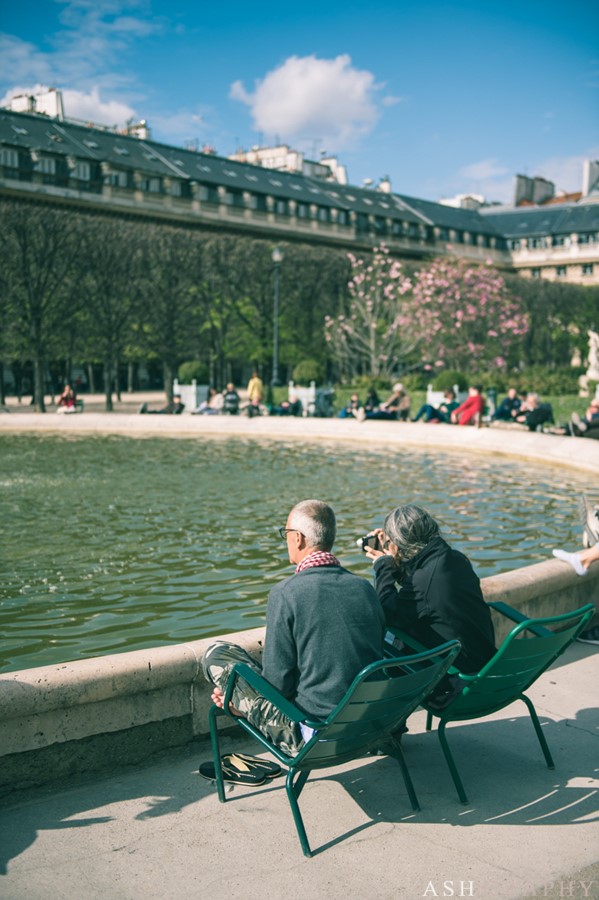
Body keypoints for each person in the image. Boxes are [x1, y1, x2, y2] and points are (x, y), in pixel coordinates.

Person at [202, 499, 385, 756]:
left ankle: (237, 704)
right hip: (370, 724)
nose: (286, 540)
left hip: (315, 734)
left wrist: (241, 699)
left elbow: (277, 686)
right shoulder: (364, 588)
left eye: (285, 534)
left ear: (298, 538)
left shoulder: (286, 594)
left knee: (217, 652)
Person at [364, 504, 496, 675]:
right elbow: (421, 589)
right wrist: (395, 562)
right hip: (484, 667)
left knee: (375, 641)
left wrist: (383, 567)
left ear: (397, 544)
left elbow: (386, 612)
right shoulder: (455, 559)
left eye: (389, 542)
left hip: (455, 680)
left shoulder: (423, 582)